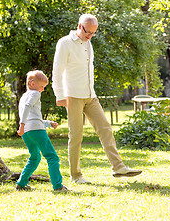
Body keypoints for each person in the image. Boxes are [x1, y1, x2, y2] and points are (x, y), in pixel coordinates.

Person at [52, 14, 142, 184]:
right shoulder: (65, 43)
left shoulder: (89, 43)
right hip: (73, 96)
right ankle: (75, 175)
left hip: (90, 96)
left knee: (105, 128)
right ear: (80, 26)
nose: (90, 36)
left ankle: (118, 167)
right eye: (88, 32)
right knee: (76, 136)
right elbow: (57, 71)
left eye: (93, 33)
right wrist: (60, 96)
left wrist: (91, 92)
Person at [17, 70, 69, 192]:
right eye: (42, 86)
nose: (43, 90)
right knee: (52, 157)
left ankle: (21, 183)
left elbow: (32, 116)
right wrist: (22, 124)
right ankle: (58, 186)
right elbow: (28, 108)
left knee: (35, 157)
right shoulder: (35, 94)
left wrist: (48, 123)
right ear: (32, 83)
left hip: (27, 132)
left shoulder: (24, 97)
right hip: (35, 130)